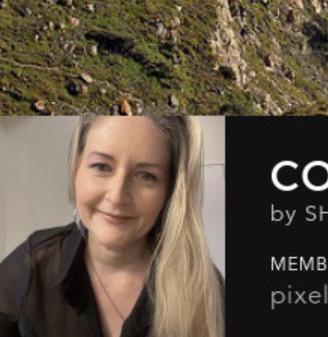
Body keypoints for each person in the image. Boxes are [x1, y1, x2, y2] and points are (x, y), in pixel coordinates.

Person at [0, 115, 224, 337]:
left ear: (171, 191)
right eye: (101, 166)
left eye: (146, 175)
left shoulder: (205, 288)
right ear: (77, 168)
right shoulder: (31, 266)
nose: (116, 197)